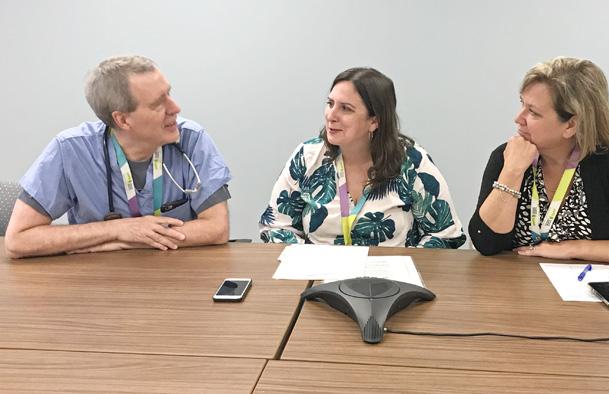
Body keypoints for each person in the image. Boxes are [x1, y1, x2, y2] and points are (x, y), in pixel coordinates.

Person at [5, 55, 232, 258]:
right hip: (99, 284)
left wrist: (128, 241)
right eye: (157, 104)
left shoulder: (191, 139)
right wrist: (117, 230)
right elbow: (18, 241)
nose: (175, 108)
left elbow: (216, 228)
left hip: (180, 279)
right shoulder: (70, 150)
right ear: (123, 120)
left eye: (168, 94)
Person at [468, 57, 609, 266]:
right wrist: (512, 172)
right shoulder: (508, 156)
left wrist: (574, 248)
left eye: (533, 112)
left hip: (586, 291)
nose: (518, 118)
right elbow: (486, 243)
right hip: (515, 290)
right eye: (522, 104)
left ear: (571, 125)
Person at [259, 67, 465, 248]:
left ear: (374, 121)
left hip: (392, 282)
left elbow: (445, 235)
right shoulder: (307, 156)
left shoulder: (412, 162)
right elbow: (276, 226)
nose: (331, 115)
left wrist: (407, 265)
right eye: (330, 103)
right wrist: (311, 261)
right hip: (321, 278)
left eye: (345, 108)